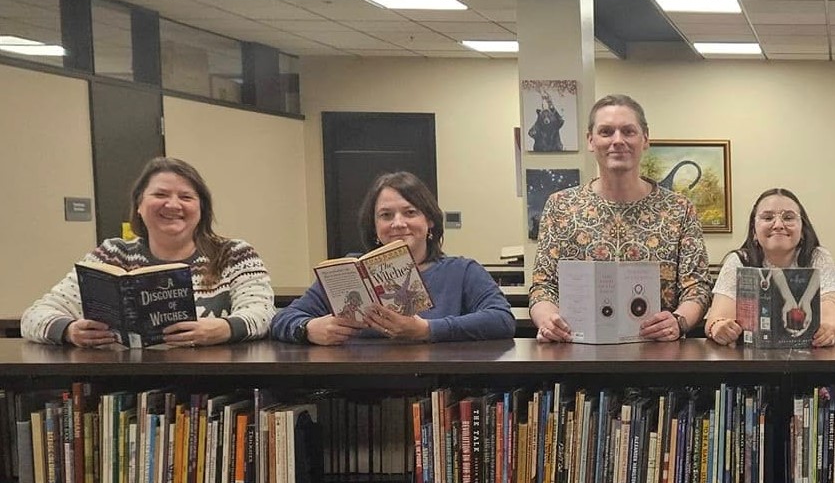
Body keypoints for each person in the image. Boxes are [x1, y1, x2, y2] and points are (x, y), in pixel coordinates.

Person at [23, 157, 274, 347]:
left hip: (214, 381)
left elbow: (263, 314)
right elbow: (34, 316)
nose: (173, 204)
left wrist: (225, 328)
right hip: (124, 379)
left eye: (186, 197)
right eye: (160, 194)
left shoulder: (234, 254)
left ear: (202, 209)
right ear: (139, 205)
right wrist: (68, 331)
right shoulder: (112, 254)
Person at [528, 94, 709, 342]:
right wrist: (548, 320)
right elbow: (543, 286)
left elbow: (697, 287)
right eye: (606, 132)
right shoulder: (560, 207)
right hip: (578, 353)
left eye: (628, 131)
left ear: (645, 139)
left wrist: (678, 321)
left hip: (659, 353)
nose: (618, 141)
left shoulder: (679, 209)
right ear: (590, 140)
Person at [271, 172, 516, 344]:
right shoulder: (346, 272)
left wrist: (428, 330)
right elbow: (283, 319)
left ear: (429, 221)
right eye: (386, 215)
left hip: (434, 383)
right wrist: (308, 329)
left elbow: (502, 320)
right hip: (354, 384)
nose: (398, 223)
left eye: (410, 212)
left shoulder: (462, 271)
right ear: (374, 226)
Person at [703, 188, 835, 347]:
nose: (778, 225)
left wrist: (828, 330)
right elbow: (716, 319)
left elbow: (831, 316)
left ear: (803, 230)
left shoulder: (819, 257)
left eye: (788, 217)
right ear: (754, 231)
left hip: (810, 353)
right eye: (768, 217)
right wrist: (719, 327)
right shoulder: (739, 260)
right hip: (748, 355)